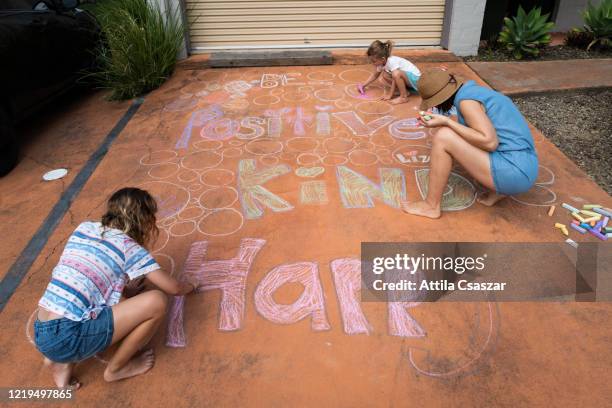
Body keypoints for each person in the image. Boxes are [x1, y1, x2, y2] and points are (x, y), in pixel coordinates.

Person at [34, 187, 197, 388]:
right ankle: (117, 369)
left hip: (42, 330)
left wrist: (126, 293)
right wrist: (191, 285)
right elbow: (173, 288)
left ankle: (59, 362)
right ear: (144, 221)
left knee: (85, 303)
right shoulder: (129, 247)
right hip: (69, 335)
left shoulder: (84, 228)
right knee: (157, 300)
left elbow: (92, 278)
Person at [402, 69, 539, 219]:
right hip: (527, 165)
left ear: (442, 98)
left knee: (444, 137)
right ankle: (499, 191)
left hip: (513, 172)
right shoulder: (474, 92)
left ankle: (430, 206)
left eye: (435, 103)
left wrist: (446, 122)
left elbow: (489, 142)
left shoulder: (466, 102)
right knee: (461, 134)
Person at [361, 40, 421, 105]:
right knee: (385, 75)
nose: (372, 63)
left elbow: (395, 78)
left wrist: (390, 95)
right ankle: (405, 92)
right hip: (408, 79)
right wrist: (363, 85)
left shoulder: (391, 61)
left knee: (395, 74)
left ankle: (403, 97)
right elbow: (375, 75)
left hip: (416, 80)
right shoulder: (381, 63)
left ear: (383, 59)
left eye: (374, 61)